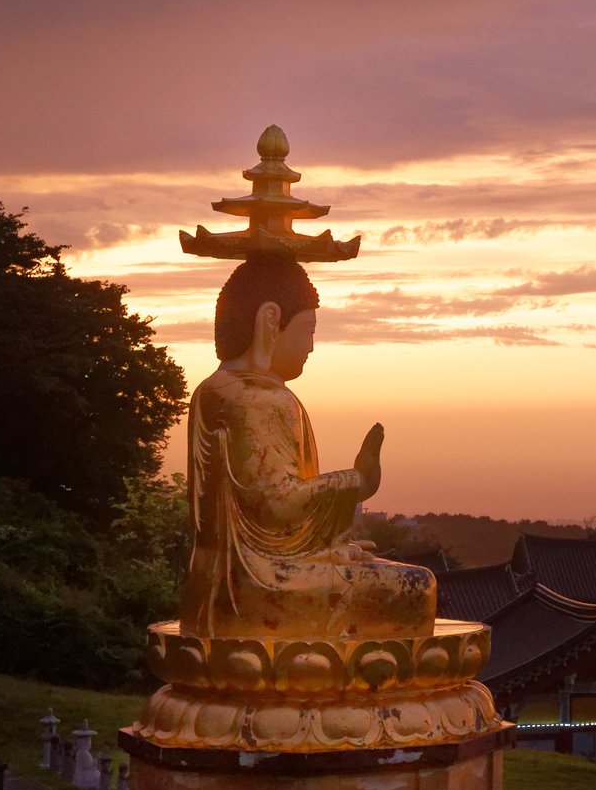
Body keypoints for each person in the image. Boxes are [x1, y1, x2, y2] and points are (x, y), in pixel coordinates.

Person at [180, 253, 435, 638]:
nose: (312, 346)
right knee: (418, 588)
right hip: (261, 585)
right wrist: (358, 482)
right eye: (309, 330)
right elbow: (277, 501)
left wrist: (327, 548)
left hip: (209, 582)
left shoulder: (210, 391)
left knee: (374, 569)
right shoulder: (261, 399)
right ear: (270, 321)